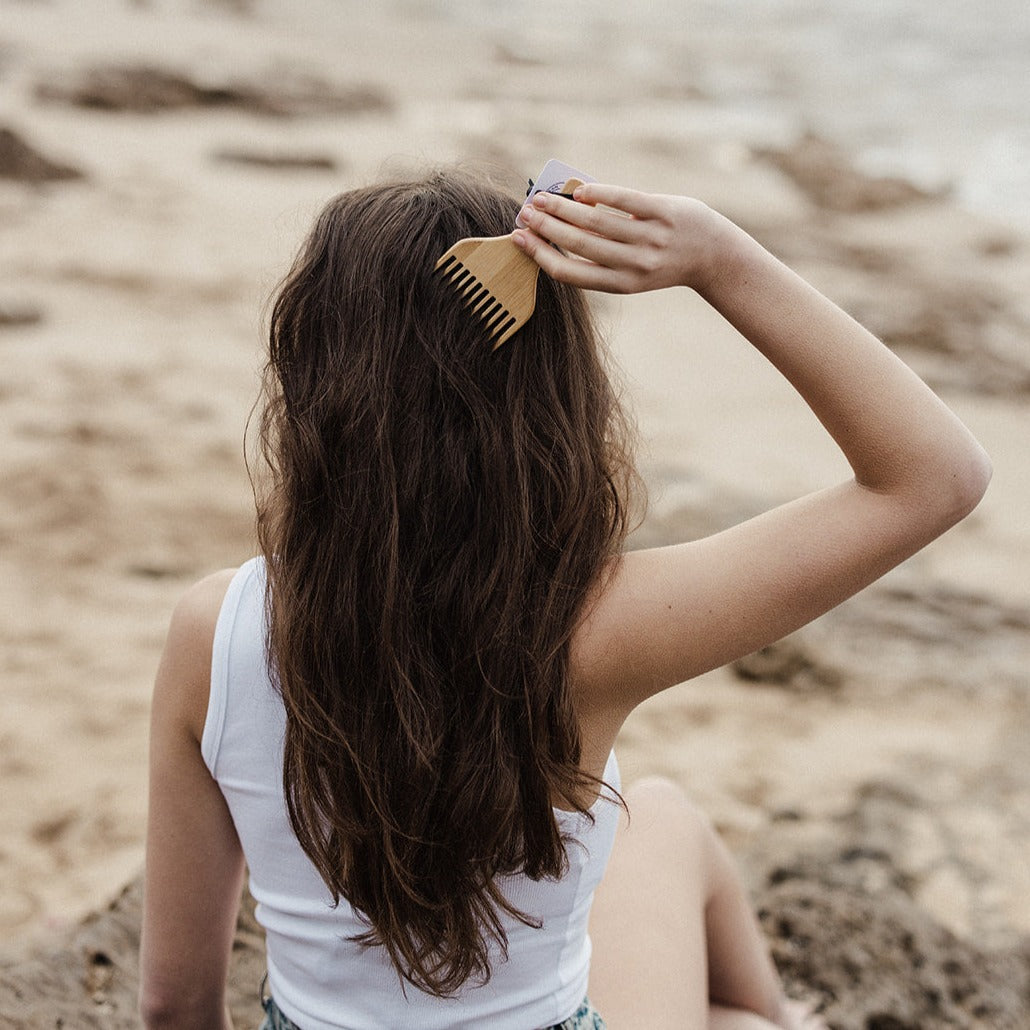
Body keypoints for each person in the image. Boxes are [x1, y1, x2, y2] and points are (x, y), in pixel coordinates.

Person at [138, 171, 991, 1030]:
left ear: (307, 383)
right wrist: (720, 259)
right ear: (556, 400)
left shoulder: (216, 633)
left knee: (655, 821)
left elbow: (173, 1005)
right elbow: (934, 477)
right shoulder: (593, 628)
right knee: (673, 857)